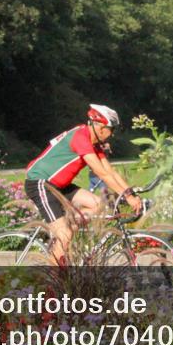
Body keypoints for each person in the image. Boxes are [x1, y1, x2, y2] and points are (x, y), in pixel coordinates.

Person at [24, 105, 142, 264]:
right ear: (100, 127)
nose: (112, 134)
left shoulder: (93, 142)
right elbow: (102, 173)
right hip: (40, 183)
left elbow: (111, 171)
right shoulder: (81, 137)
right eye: (111, 129)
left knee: (98, 205)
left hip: (60, 185)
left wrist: (129, 192)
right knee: (65, 234)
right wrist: (127, 196)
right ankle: (51, 280)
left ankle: (64, 231)